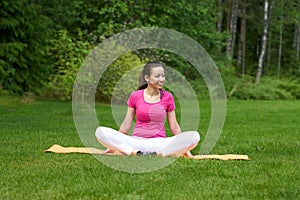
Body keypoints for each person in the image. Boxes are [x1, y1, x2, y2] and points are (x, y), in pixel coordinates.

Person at [95, 61, 200, 157]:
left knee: (195, 136)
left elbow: (174, 126)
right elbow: (127, 123)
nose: (161, 79)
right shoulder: (135, 96)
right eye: (157, 76)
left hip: (160, 144)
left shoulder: (168, 97)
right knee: (100, 131)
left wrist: (186, 149)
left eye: (163, 76)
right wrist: (113, 145)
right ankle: (134, 153)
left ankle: (158, 154)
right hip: (136, 142)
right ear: (147, 78)